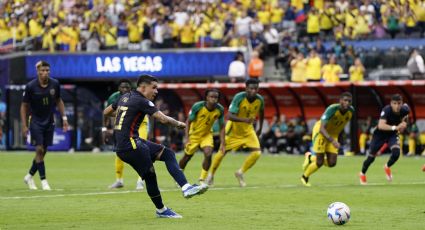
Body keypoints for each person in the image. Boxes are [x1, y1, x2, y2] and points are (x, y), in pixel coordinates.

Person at [103, 74, 207, 218]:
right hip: (131, 145)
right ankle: (162, 209)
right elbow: (163, 119)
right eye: (154, 87)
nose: (156, 91)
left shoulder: (124, 97)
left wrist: (123, 115)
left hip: (128, 143)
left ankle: (185, 187)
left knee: (168, 154)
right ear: (143, 87)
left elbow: (106, 112)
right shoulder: (142, 100)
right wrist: (179, 124)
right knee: (151, 176)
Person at [20, 60, 69, 190]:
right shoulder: (31, 86)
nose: (45, 73)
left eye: (47, 70)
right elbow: (24, 106)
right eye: (42, 70)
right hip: (35, 121)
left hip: (49, 121)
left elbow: (59, 100)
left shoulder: (55, 84)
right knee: (39, 149)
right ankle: (44, 181)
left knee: (43, 152)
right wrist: (24, 125)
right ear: (38, 71)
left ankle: (29, 176)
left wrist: (64, 117)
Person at [207, 78, 264, 187]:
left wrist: (260, 128)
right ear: (246, 88)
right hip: (233, 130)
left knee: (257, 153)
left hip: (248, 131)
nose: (254, 91)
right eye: (251, 88)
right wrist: (245, 120)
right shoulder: (239, 97)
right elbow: (229, 116)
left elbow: (262, 112)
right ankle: (211, 175)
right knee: (222, 152)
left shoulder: (259, 99)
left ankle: (240, 173)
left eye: (256, 89)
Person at [301, 92, 354, 186]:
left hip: (333, 135)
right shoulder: (332, 109)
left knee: (332, 163)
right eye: (345, 100)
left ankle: (310, 158)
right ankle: (305, 177)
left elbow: (341, 126)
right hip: (321, 132)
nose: (347, 103)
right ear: (340, 101)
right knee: (320, 162)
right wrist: (333, 141)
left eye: (349, 101)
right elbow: (322, 129)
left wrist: (338, 139)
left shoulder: (351, 111)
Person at [104, 79, 147, 190]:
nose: (125, 89)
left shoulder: (137, 96)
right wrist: (105, 129)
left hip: (140, 124)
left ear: (131, 89)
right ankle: (119, 180)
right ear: (119, 89)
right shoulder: (114, 98)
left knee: (142, 150)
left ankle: (140, 181)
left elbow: (150, 111)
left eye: (127, 87)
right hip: (123, 126)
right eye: (122, 87)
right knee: (119, 151)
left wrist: (149, 129)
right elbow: (106, 112)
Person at [359, 94, 409, 185]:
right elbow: (381, 125)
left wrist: (404, 123)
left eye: (399, 103)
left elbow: (405, 118)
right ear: (391, 104)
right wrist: (396, 127)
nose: (397, 106)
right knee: (371, 157)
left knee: (396, 153)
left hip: (392, 134)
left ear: (402, 103)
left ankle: (387, 166)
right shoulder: (387, 110)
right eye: (394, 103)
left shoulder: (405, 109)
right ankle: (362, 173)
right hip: (380, 135)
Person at [178, 89, 225, 185]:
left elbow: (222, 127)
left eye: (216, 97)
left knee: (208, 153)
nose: (214, 99)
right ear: (206, 98)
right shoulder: (198, 106)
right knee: (187, 157)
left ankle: (202, 179)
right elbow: (188, 122)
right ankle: (178, 176)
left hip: (207, 135)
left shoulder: (220, 109)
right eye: (211, 97)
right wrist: (187, 138)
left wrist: (223, 143)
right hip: (194, 134)